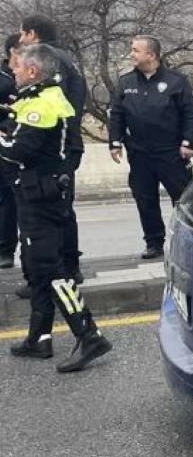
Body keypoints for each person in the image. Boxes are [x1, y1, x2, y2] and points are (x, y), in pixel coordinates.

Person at [1, 44, 112, 372]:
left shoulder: (43, 104)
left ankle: (89, 334)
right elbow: (19, 123)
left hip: (41, 196)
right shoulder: (40, 97)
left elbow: (16, 150)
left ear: (33, 71)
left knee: (49, 269)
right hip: (37, 193)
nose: (14, 72)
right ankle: (39, 338)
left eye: (17, 68)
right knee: (35, 267)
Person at [108, 35, 193, 259]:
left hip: (171, 152)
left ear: (151, 54)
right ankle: (154, 242)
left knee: (183, 199)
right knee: (145, 198)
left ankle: (190, 241)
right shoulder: (126, 82)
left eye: (136, 50)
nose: (131, 54)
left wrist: (188, 143)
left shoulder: (176, 81)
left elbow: (190, 114)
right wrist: (115, 142)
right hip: (139, 153)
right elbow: (117, 114)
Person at [19, 15, 87, 284]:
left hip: (55, 147)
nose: (21, 40)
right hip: (65, 144)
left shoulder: (48, 58)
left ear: (33, 34)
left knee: (53, 209)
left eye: (22, 34)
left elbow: (50, 104)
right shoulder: (67, 57)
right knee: (63, 207)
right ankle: (68, 267)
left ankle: (62, 270)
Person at [0, 33, 19, 269]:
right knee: (5, 199)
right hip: (4, 146)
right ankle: (5, 249)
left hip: (26, 145)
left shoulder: (33, 74)